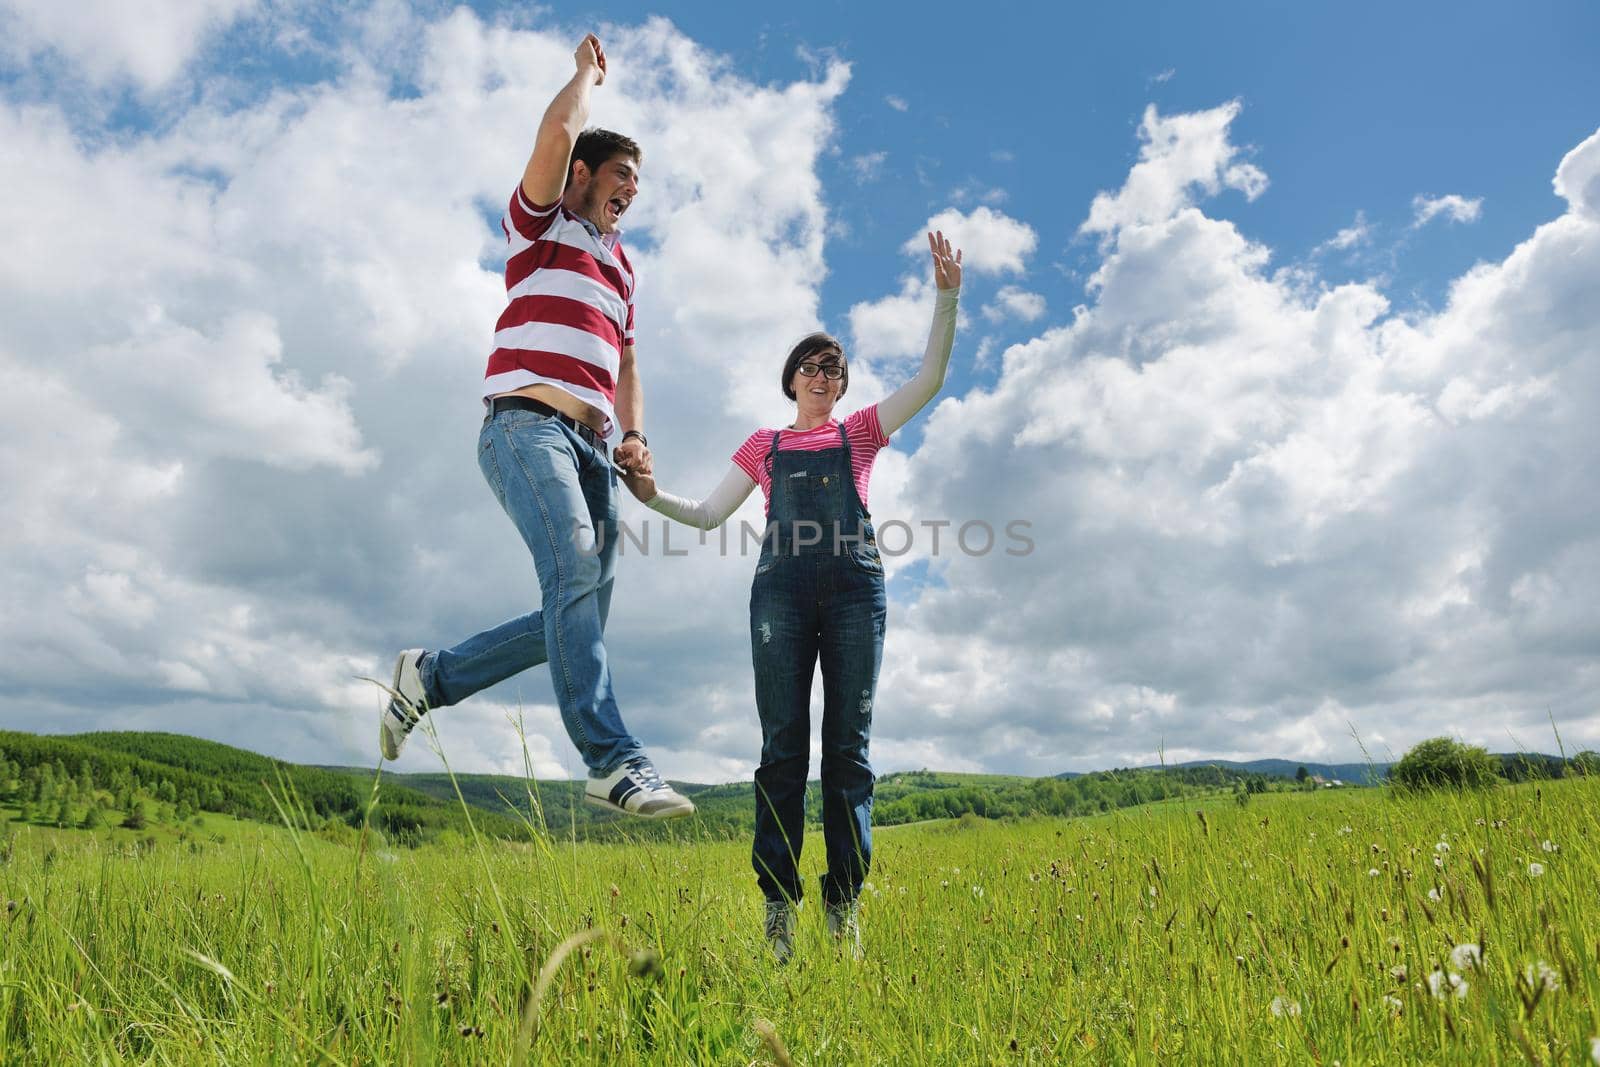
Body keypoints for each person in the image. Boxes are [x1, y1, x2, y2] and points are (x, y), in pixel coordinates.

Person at [378, 33, 693, 820]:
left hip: (595, 449)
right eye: (623, 175)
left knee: (577, 604)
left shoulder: (623, 267)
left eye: (639, 184)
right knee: (575, 580)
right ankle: (613, 760)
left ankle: (431, 677)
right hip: (524, 426)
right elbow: (556, 135)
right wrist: (585, 75)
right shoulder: (540, 226)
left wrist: (635, 435)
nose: (632, 192)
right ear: (584, 176)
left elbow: (626, 363)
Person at [621, 233, 963, 957]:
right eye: (810, 365)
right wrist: (650, 496)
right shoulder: (764, 445)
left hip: (852, 594)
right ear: (792, 379)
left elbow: (930, 378)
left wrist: (946, 296)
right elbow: (711, 512)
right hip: (779, 595)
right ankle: (779, 909)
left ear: (841, 385)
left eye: (832, 368)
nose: (820, 374)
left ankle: (843, 908)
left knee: (848, 752)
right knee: (782, 751)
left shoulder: (863, 433)